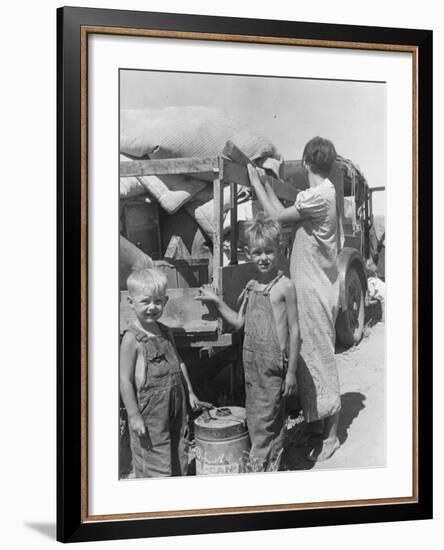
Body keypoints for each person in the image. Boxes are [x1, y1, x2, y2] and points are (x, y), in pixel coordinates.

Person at [247, 136, 342, 461]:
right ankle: (316, 426)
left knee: (321, 359)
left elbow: (274, 217)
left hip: (315, 289)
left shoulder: (319, 195)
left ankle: (331, 436)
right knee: (307, 358)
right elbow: (282, 209)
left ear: (305, 163)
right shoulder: (319, 194)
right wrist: (268, 187)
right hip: (311, 287)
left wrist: (256, 183)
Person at [196, 215, 300, 471]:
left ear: (279, 249)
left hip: (273, 364)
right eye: (257, 252)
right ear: (247, 254)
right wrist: (216, 301)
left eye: (269, 251)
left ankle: (258, 468)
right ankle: (274, 465)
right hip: (251, 364)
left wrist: (292, 372)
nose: (263, 257)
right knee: (262, 418)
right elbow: (239, 322)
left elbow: (296, 331)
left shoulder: (285, 286)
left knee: (263, 421)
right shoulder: (251, 286)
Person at [120, 268, 199, 478]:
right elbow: (124, 380)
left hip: (176, 407)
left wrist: (190, 392)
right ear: (131, 302)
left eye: (157, 301)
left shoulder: (165, 331)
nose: (152, 307)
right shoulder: (131, 338)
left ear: (165, 300)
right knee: (155, 462)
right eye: (145, 301)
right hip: (150, 415)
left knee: (178, 452)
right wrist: (134, 415)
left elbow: (179, 363)